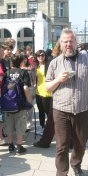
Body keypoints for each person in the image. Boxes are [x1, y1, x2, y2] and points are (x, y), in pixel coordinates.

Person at [45, 28, 88, 176]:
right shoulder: (54, 63)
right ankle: (62, 172)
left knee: (81, 144)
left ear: (76, 42)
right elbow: (47, 87)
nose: (68, 44)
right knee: (61, 146)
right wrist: (59, 79)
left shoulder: (86, 59)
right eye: (65, 41)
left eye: (71, 41)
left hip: (82, 109)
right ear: (61, 44)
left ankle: (76, 164)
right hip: (61, 110)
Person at [6, 54, 32, 155]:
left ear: (11, 62)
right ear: (21, 62)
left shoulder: (7, 72)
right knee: (20, 124)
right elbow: (26, 88)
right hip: (19, 104)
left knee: (9, 125)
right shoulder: (23, 72)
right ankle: (19, 147)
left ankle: (10, 146)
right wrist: (29, 101)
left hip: (8, 103)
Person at [34, 50, 53, 136]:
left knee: (47, 111)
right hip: (38, 91)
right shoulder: (36, 66)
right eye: (38, 56)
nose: (40, 57)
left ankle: (51, 128)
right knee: (40, 110)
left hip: (47, 91)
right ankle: (42, 126)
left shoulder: (48, 65)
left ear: (45, 56)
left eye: (42, 55)